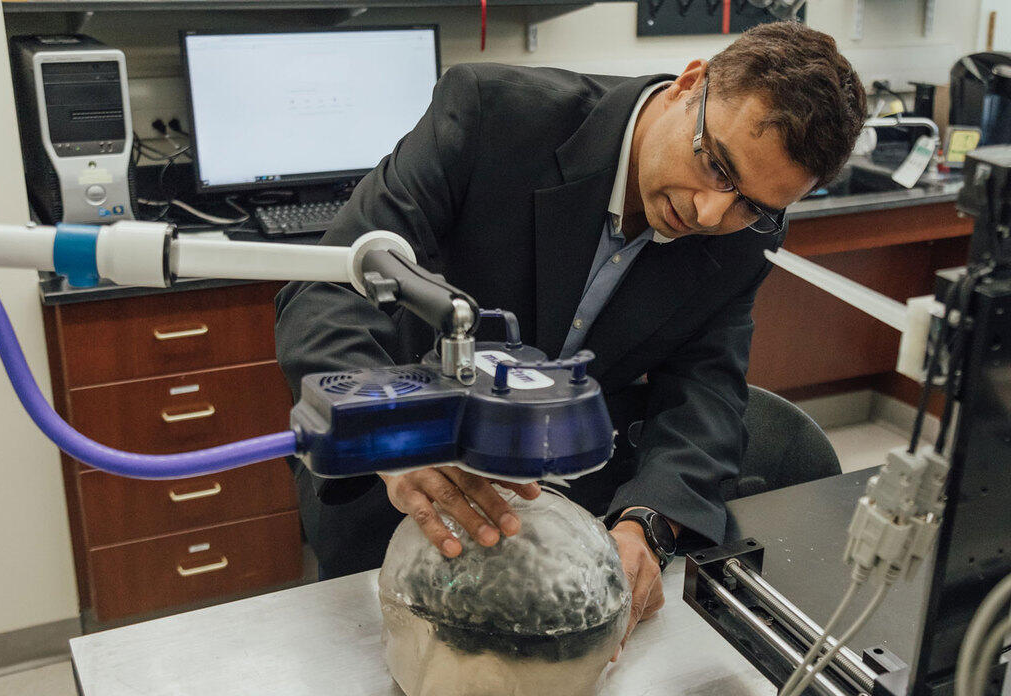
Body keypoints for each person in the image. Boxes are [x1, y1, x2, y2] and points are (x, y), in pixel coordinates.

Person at [275, 21, 866, 650]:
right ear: (689, 85)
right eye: (716, 166)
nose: (711, 213)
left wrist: (648, 523)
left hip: (565, 513)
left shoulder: (747, 234)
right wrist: (390, 435)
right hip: (401, 485)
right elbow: (328, 288)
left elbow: (707, 386)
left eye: (753, 204)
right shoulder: (491, 114)